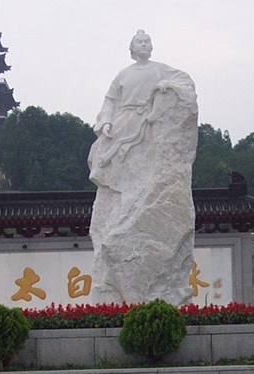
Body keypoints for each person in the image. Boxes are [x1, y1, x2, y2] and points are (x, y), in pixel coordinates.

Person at [88, 30, 198, 304]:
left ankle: (135, 207)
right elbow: (110, 101)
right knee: (118, 175)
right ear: (132, 48)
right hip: (123, 124)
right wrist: (106, 122)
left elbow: (184, 81)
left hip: (148, 126)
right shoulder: (123, 75)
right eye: (140, 42)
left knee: (144, 178)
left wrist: (167, 87)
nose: (145, 45)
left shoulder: (160, 69)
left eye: (147, 41)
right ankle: (124, 211)